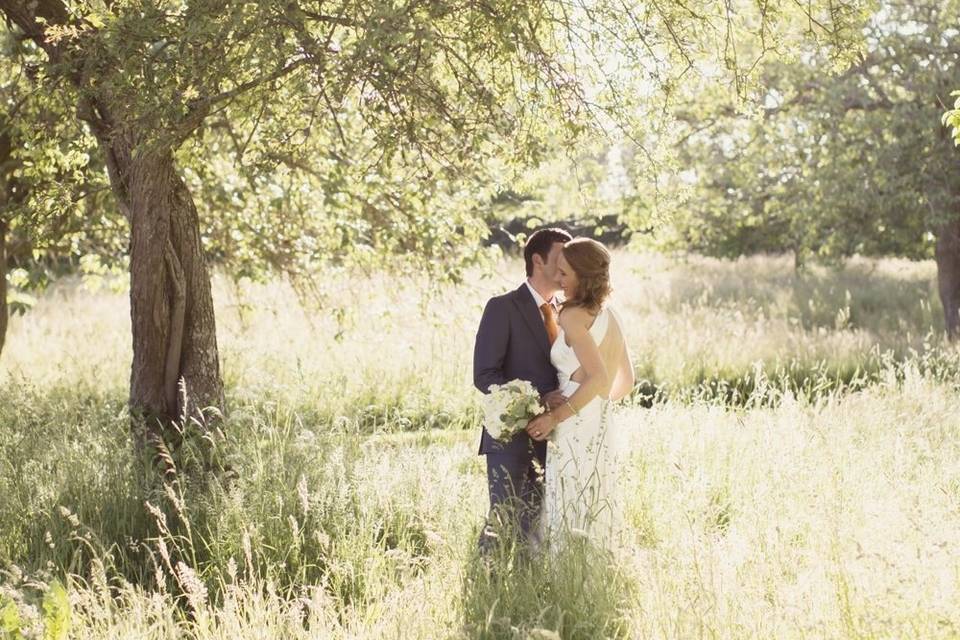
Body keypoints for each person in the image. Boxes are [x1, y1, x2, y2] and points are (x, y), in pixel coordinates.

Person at [524, 237, 635, 548]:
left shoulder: (572, 316)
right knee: (594, 497)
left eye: (565, 274)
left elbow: (598, 376)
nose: (559, 280)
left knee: (568, 498)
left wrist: (558, 415)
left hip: (572, 420)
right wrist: (592, 406)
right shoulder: (612, 315)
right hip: (599, 419)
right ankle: (591, 575)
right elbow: (625, 382)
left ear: (583, 276)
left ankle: (564, 579)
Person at [473, 227, 572, 552]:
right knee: (502, 522)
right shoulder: (503, 307)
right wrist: (537, 400)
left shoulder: (567, 312)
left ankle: (527, 595)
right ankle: (486, 587)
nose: (565, 266)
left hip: (556, 436)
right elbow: (485, 375)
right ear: (538, 260)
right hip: (510, 435)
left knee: (537, 528)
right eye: (560, 258)